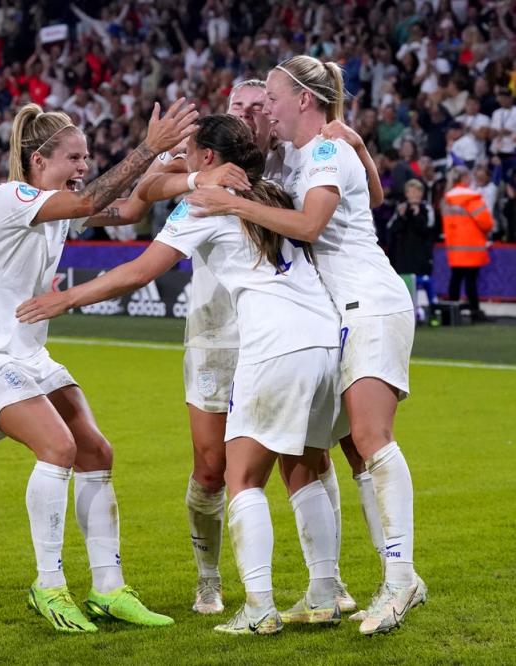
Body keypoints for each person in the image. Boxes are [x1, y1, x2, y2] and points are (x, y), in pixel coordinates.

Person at [17, 114, 344, 636]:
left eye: (190, 151)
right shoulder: (271, 193)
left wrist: (67, 298)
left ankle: (258, 608)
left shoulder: (206, 204)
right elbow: (148, 189)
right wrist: (183, 175)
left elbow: (141, 271)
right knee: (304, 465)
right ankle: (325, 592)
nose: (183, 158)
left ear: (210, 157)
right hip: (326, 339)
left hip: (275, 342)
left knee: (241, 478)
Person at [0, 99, 205, 634]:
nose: (83, 165)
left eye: (87, 156)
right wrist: (148, 149)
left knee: (95, 451)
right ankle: (48, 584)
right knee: (58, 447)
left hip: (26, 351)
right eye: (74, 156)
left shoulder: (58, 205)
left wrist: (177, 168)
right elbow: (91, 198)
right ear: (39, 161)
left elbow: (127, 210)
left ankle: (108, 590)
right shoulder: (10, 196)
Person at [188, 55, 427, 636]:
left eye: (272, 94)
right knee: (325, 452)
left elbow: (312, 226)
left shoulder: (322, 150)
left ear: (304, 99)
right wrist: (365, 156)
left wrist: (235, 204)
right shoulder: (308, 153)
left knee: (370, 440)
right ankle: (328, 589)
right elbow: (368, 196)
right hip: (337, 315)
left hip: (368, 302)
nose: (264, 105)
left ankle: (401, 581)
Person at [441, 166, 494, 322]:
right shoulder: (472, 197)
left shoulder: (447, 198)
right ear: (465, 178)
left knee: (455, 280)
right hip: (472, 248)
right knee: (471, 282)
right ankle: (475, 312)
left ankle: (451, 314)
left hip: (454, 248)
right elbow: (486, 223)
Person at [388, 180, 437, 322]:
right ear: (407, 193)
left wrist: (417, 215)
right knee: (405, 285)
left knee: (426, 282)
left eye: (418, 191)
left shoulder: (427, 209)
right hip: (403, 256)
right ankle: (405, 316)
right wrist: (402, 216)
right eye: (412, 191)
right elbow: (391, 230)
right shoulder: (401, 208)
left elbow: (428, 230)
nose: (415, 194)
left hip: (421, 255)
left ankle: (434, 313)